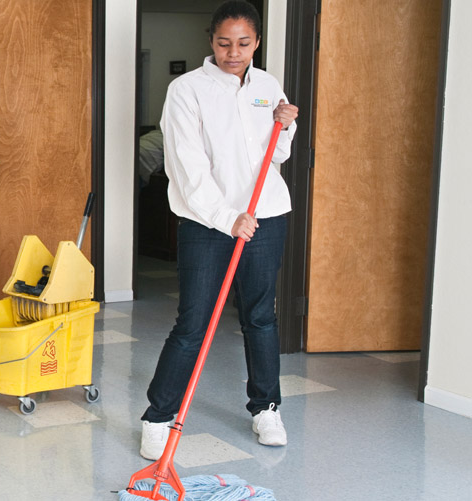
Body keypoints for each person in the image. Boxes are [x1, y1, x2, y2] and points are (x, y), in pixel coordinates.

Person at [139, 0, 299, 460]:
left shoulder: (268, 85)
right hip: (207, 223)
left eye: (244, 43)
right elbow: (186, 168)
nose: (234, 52)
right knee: (193, 321)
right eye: (225, 43)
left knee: (260, 316)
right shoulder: (187, 90)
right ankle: (158, 417)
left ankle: (266, 408)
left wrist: (285, 126)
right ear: (211, 40)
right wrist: (227, 216)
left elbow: (276, 155)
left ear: (257, 43)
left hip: (267, 216)